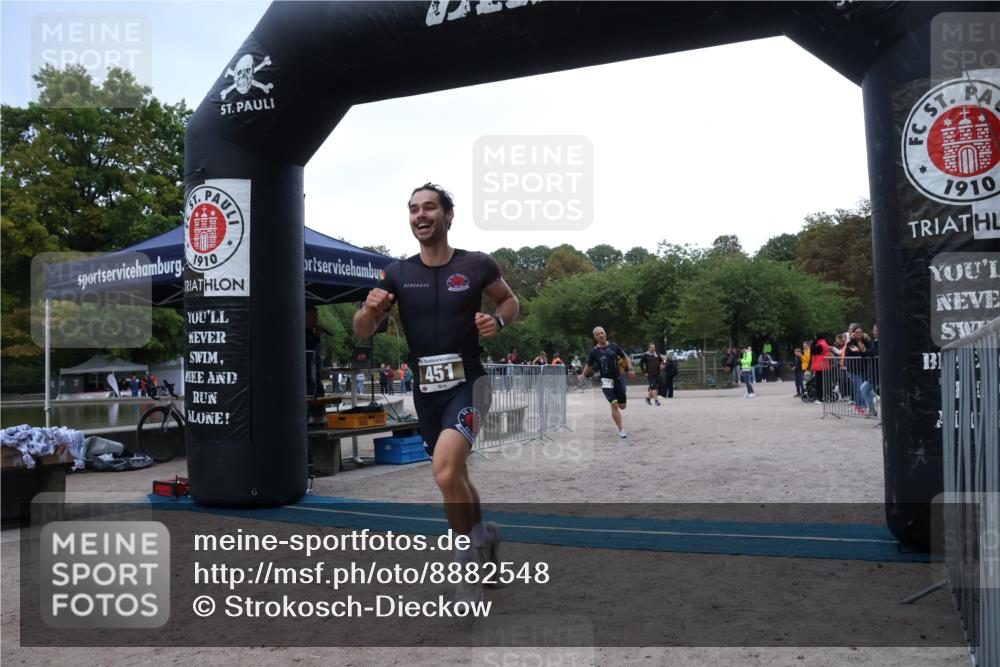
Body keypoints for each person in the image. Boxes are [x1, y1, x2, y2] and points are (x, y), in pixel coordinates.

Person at [353, 182, 519, 604]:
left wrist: (497, 322)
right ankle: (484, 536)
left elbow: (509, 301)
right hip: (427, 392)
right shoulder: (397, 273)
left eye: (429, 207)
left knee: (445, 473)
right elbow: (362, 330)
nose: (420, 215)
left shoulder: (477, 264)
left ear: (449, 215)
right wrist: (369, 309)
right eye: (413, 209)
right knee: (456, 476)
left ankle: (467, 566)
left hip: (471, 384)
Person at [579, 326, 636, 438]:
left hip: (618, 379)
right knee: (614, 405)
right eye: (598, 334)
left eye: (602, 333)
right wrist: (583, 375)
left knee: (622, 406)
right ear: (595, 337)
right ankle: (621, 430)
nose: (601, 335)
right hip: (606, 381)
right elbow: (589, 365)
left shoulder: (614, 346)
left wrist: (630, 369)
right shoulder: (594, 352)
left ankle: (617, 404)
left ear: (605, 334)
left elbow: (625, 357)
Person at [305, 304, 328, 398]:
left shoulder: (312, 333)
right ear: (305, 317)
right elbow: (308, 349)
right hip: (307, 378)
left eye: (317, 317)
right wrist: (316, 337)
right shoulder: (301, 333)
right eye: (314, 317)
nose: (316, 320)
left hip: (316, 376)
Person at [810, 332, 831, 404]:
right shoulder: (824, 343)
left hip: (820, 366)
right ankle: (823, 397)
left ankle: (820, 398)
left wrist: (813, 342)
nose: (815, 337)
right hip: (823, 365)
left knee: (819, 383)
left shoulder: (820, 344)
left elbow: (812, 351)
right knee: (822, 382)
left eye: (816, 336)